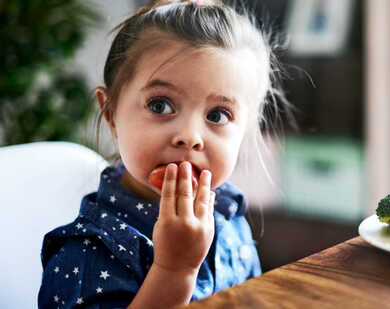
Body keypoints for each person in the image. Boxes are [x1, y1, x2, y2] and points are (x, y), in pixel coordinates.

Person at [38, 0, 292, 307]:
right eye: (160, 105)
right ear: (111, 114)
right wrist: (174, 270)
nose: (189, 137)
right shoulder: (87, 252)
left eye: (218, 115)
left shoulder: (229, 214)